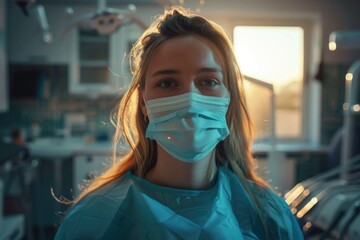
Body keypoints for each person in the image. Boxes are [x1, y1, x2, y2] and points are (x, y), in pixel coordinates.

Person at [55, 6, 304, 240]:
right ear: (143, 102)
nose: (190, 101)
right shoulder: (94, 219)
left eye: (208, 81)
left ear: (229, 97)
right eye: (167, 83)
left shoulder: (269, 215)